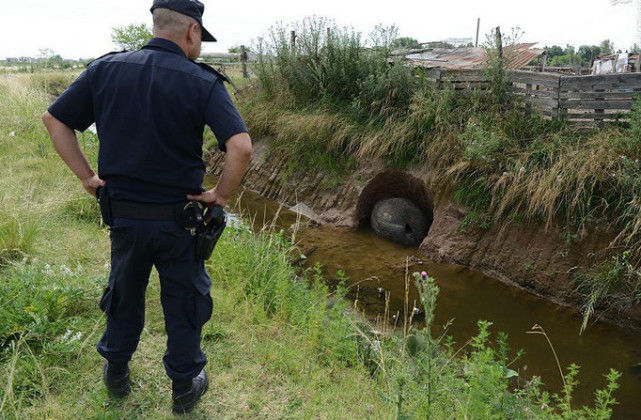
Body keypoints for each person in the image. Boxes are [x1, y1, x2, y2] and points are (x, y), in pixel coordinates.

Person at [41, 0, 252, 413]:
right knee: (185, 298)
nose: (200, 49)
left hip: (124, 215)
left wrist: (88, 178)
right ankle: (185, 387)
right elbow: (240, 146)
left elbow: (55, 120)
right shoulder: (202, 81)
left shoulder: (106, 69)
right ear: (192, 31)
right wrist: (220, 196)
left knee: (124, 290)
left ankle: (116, 373)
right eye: (200, 40)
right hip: (181, 221)